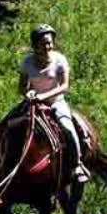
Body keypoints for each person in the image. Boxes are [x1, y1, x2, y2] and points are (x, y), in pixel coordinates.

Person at [18, 24, 90, 183]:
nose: (47, 47)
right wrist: (28, 93)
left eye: (49, 43)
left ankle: (77, 164)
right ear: (34, 45)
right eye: (43, 43)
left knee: (67, 128)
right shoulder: (27, 62)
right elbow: (22, 87)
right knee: (8, 124)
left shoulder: (59, 60)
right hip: (33, 102)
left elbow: (64, 86)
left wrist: (43, 96)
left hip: (55, 102)